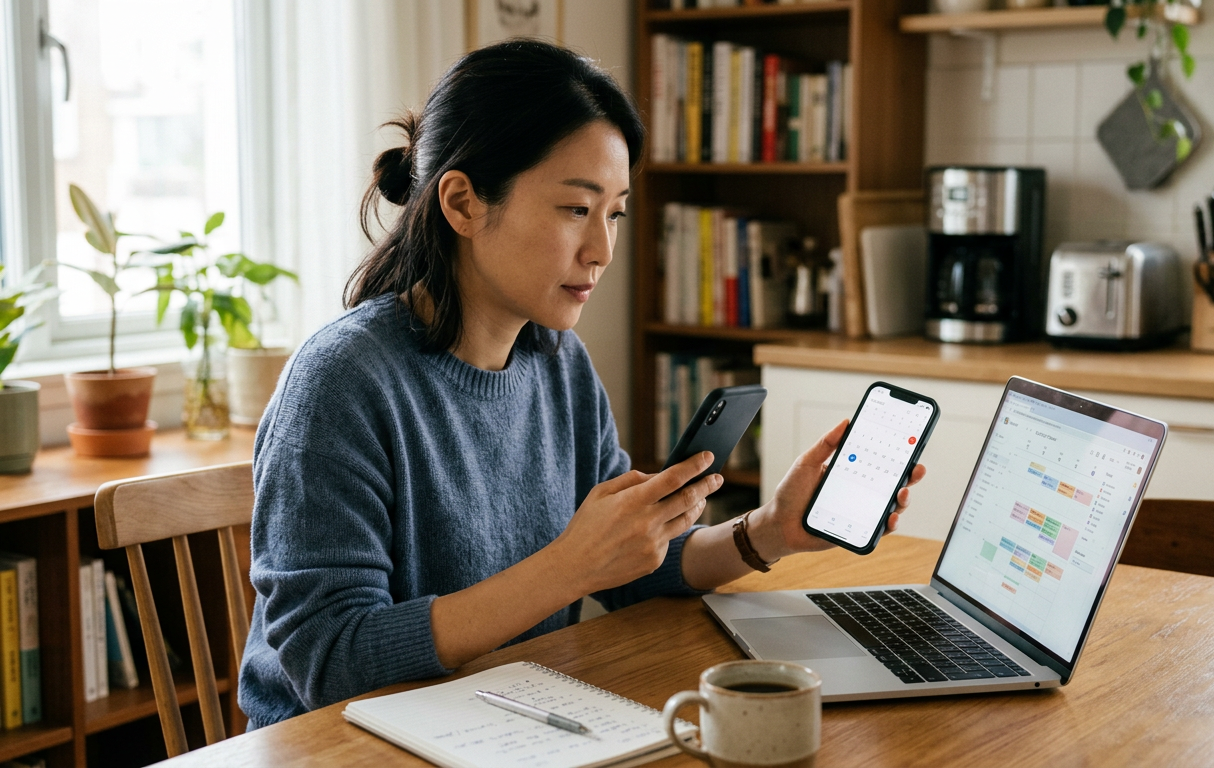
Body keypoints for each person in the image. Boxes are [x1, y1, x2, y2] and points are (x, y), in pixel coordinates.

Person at [238, 39, 926, 728]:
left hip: (506, 720)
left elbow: (636, 568)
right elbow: (329, 661)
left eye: (615, 213)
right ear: (462, 203)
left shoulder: (558, 362)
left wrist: (771, 531)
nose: (601, 250)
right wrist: (569, 567)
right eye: (576, 209)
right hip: (345, 744)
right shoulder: (341, 382)